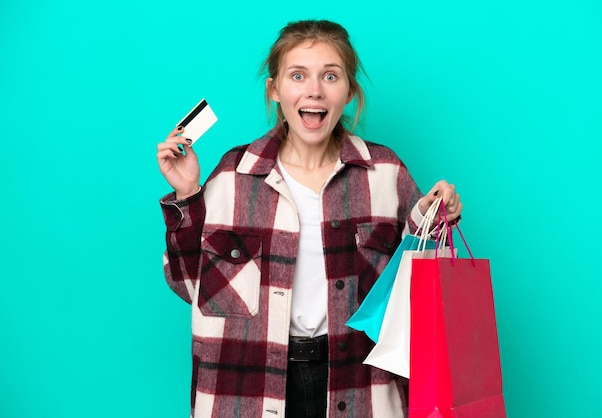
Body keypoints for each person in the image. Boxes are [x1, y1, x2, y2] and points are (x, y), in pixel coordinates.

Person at [156, 19, 462, 418]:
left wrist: (435, 215)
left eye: (330, 76)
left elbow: (416, 281)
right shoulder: (234, 174)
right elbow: (187, 285)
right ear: (275, 90)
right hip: (250, 383)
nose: (314, 89)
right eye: (297, 75)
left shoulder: (385, 171)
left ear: (349, 91)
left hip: (359, 383)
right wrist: (187, 194)